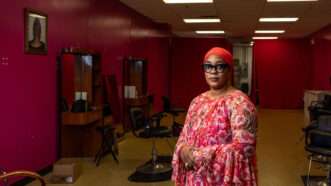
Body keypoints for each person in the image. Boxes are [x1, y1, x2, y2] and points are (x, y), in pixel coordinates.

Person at [172, 47, 257, 186]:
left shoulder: (240, 103)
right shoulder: (197, 101)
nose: (213, 71)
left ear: (229, 70)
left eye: (220, 66)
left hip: (223, 179)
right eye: (208, 66)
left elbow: (244, 148)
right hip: (195, 177)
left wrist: (197, 155)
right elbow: (184, 135)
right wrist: (182, 149)